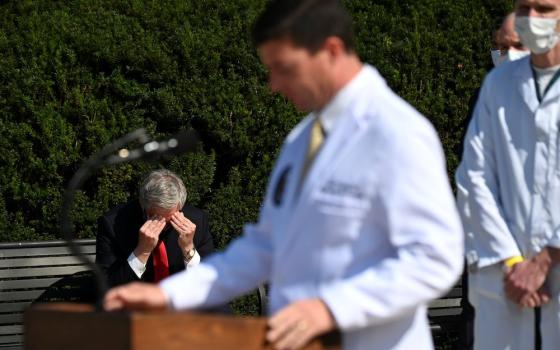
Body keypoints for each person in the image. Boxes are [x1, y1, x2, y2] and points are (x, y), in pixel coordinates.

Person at [104, 1, 463, 349]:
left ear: (331, 50)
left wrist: (329, 309)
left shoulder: (397, 132)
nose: (274, 84)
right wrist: (167, 294)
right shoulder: (301, 139)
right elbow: (266, 246)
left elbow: (434, 257)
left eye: (284, 68)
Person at [456, 1, 560, 349]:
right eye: (525, 7)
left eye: (544, 9)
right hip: (504, 282)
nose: (532, 18)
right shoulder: (495, 86)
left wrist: (546, 259)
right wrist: (513, 262)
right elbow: (474, 178)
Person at [96, 169, 214, 286]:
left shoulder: (196, 221)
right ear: (143, 207)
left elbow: (210, 283)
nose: (162, 227)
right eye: (156, 218)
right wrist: (142, 251)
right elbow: (107, 286)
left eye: (170, 219)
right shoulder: (114, 224)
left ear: (180, 207)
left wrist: (188, 248)